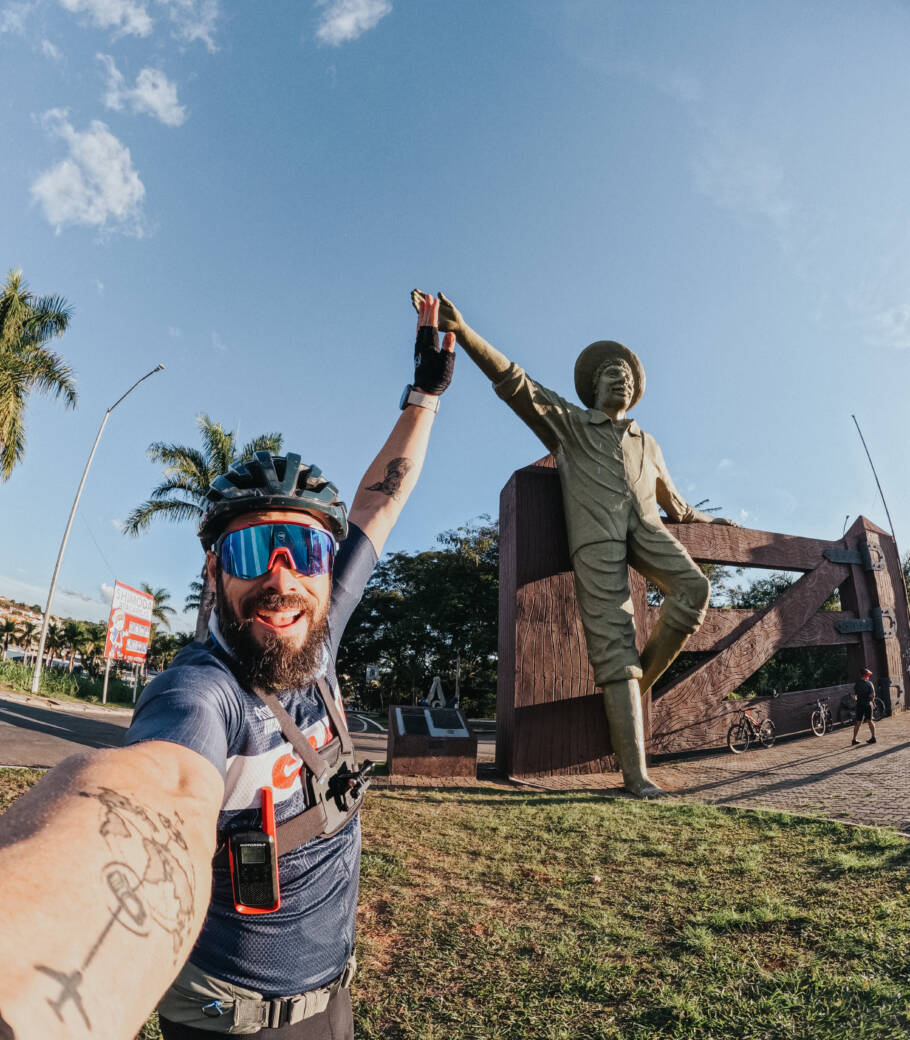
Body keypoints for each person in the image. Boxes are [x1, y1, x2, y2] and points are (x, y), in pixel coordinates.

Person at [0, 294, 455, 1040]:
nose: (280, 579)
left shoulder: (321, 628)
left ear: (325, 569)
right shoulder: (202, 689)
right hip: (229, 1024)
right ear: (216, 573)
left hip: (331, 1001)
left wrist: (426, 394)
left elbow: (380, 500)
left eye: (303, 552)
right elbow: (163, 788)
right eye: (251, 552)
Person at [424, 290, 736, 797]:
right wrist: (464, 332)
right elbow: (516, 384)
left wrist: (714, 523)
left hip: (647, 530)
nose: (622, 378)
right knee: (615, 647)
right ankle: (635, 775)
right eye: (612, 373)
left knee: (694, 591)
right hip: (595, 543)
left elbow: (677, 506)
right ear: (593, 387)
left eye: (628, 376)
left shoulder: (647, 443)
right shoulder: (570, 425)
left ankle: (634, 686)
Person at [851, 666, 877, 746]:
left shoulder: (857, 683)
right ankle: (873, 737)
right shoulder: (869, 683)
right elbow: (873, 695)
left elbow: (854, 696)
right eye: (868, 675)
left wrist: (856, 700)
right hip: (868, 704)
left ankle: (854, 739)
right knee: (870, 721)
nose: (869, 676)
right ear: (866, 675)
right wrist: (873, 702)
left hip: (860, 705)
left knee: (858, 722)